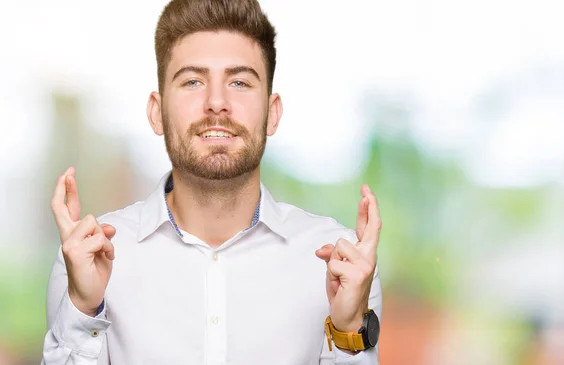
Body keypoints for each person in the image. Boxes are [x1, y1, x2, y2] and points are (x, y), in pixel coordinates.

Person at [41, 0, 383, 364]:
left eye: (239, 81)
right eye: (192, 81)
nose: (217, 102)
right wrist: (82, 310)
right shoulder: (87, 260)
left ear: (272, 114)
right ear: (157, 113)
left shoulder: (341, 265)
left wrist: (348, 331)